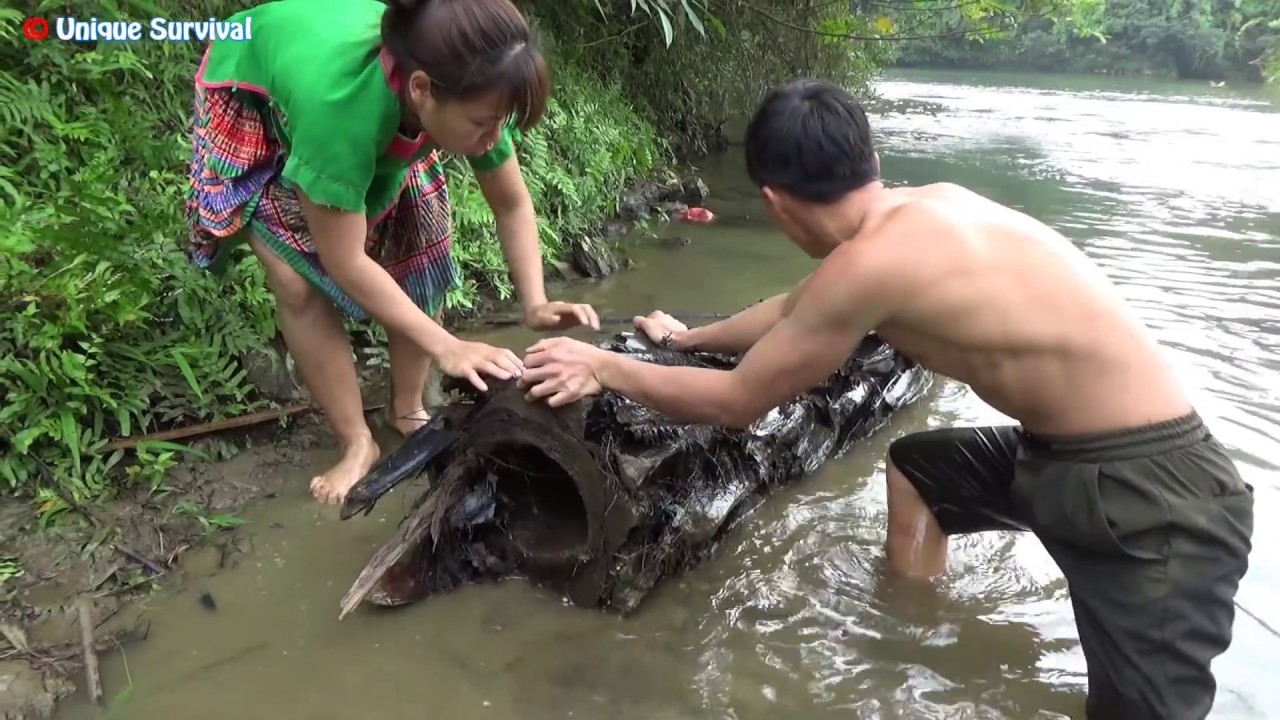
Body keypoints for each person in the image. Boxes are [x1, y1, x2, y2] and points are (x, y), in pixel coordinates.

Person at [515, 78, 1254, 718]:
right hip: (1065, 463)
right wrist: (680, 343)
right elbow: (787, 311)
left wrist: (606, 369)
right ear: (870, 160)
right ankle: (915, 632)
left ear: (775, 201)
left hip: (1152, 501)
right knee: (920, 471)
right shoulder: (920, 213)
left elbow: (739, 402)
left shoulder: (871, 264)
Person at [186, 0, 600, 505]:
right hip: (252, 76)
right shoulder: (338, 112)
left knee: (422, 238)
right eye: (484, 124)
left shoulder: (475, 92)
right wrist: (447, 345)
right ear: (422, 90)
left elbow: (511, 204)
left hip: (373, 95)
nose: (495, 137)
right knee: (295, 281)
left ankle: (405, 409)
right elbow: (347, 262)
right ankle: (356, 440)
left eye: (500, 122)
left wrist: (534, 301)